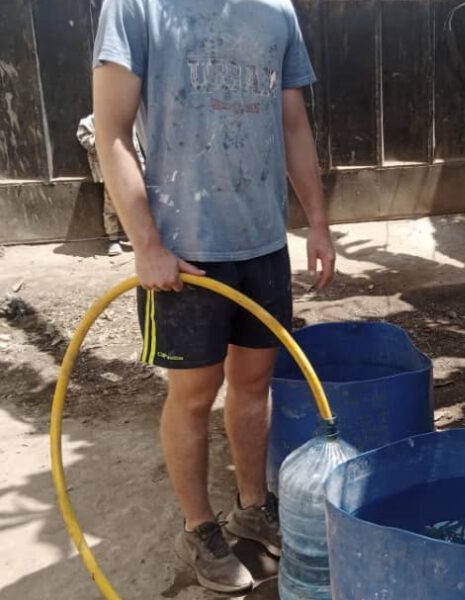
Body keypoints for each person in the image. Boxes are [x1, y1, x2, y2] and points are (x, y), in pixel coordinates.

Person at [92, 0, 336, 593]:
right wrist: (145, 243)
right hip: (184, 253)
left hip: (262, 243)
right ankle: (199, 529)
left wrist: (318, 223)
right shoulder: (138, 7)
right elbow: (112, 131)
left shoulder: (278, 10)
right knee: (194, 394)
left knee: (254, 385)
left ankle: (253, 506)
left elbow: (293, 124)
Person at [76, 114, 143, 256]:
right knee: (111, 205)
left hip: (130, 169)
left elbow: (136, 145)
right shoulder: (90, 122)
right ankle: (114, 239)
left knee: (137, 204)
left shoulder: (129, 121)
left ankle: (138, 238)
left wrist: (141, 167)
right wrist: (102, 138)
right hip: (110, 170)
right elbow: (84, 137)